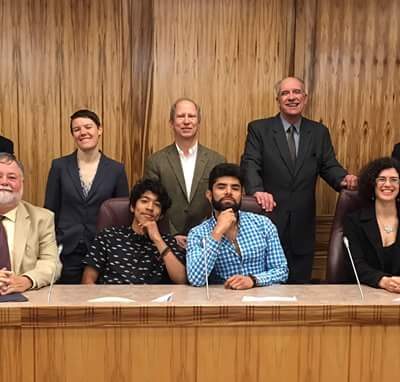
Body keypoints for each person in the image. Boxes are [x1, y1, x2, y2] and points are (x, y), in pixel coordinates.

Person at [240, 76, 358, 283]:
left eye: (296, 92)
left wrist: (343, 179)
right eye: (285, 93)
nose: (291, 97)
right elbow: (250, 163)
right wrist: (256, 190)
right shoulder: (260, 129)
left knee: (300, 288)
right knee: (265, 289)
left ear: (305, 98)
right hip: (269, 220)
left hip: (302, 228)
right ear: (277, 99)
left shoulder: (318, 132)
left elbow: (329, 165)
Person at [44, 109, 129, 284]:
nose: (83, 132)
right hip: (67, 249)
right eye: (77, 129)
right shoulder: (59, 166)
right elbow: (50, 210)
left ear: (100, 129)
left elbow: (122, 216)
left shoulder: (116, 169)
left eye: (88, 127)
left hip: (103, 250)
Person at [187, 163, 288, 289]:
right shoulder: (197, 234)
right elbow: (196, 279)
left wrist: (253, 280)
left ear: (241, 195)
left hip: (260, 300)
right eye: (221, 187)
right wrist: (217, 232)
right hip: (222, 302)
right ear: (209, 195)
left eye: (235, 188)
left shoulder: (263, 224)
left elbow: (282, 271)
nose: (228, 192)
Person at [144, 98, 225, 248]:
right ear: (171, 123)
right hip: (167, 242)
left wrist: (209, 233)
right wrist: (171, 236)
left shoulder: (217, 160)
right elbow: (151, 203)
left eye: (191, 116)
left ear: (198, 122)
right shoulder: (156, 161)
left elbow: (222, 202)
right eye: (181, 116)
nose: (186, 121)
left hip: (208, 241)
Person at [81, 179, 186, 284]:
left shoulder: (167, 242)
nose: (150, 207)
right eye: (144, 201)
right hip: (112, 298)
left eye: (157, 204)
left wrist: (157, 239)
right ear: (132, 207)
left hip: (151, 299)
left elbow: (181, 280)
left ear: (161, 215)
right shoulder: (107, 236)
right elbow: (87, 281)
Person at [0, 153, 61, 295]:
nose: (4, 182)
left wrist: (27, 280)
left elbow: (52, 263)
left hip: (26, 298)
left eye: (12, 177)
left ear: (22, 183)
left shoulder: (42, 218)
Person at [343, 157, 400, 292]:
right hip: (365, 292)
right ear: (372, 184)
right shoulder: (354, 221)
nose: (387, 184)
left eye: (394, 180)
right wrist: (383, 281)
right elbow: (355, 264)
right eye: (381, 179)